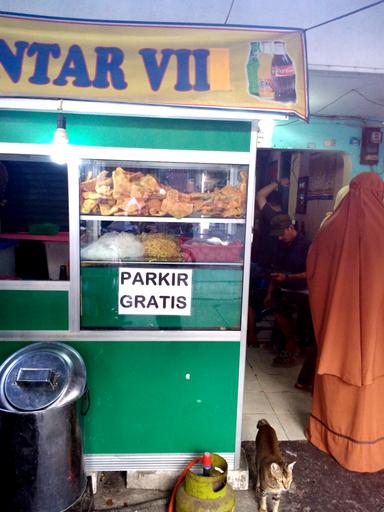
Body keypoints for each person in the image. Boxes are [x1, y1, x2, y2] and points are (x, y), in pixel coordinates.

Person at [306, 172, 384, 472]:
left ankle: (330, 437)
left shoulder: (330, 228)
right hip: (377, 333)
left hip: (339, 330)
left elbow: (313, 266)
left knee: (337, 370)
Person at [263, 214, 311, 367]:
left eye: (281, 234)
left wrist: (288, 277)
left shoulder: (307, 245)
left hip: (303, 291)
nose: (279, 238)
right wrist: (269, 293)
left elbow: (312, 273)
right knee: (271, 300)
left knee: (282, 306)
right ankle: (284, 343)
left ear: (291, 228)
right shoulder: (280, 246)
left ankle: (291, 345)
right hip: (284, 287)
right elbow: (275, 272)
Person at [247, 179, 289, 346]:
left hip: (265, 267)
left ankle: (252, 337)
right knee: (275, 303)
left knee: (250, 300)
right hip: (279, 267)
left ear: (271, 203)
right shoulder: (286, 217)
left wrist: (276, 182)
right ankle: (276, 341)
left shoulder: (270, 214)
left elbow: (260, 195)